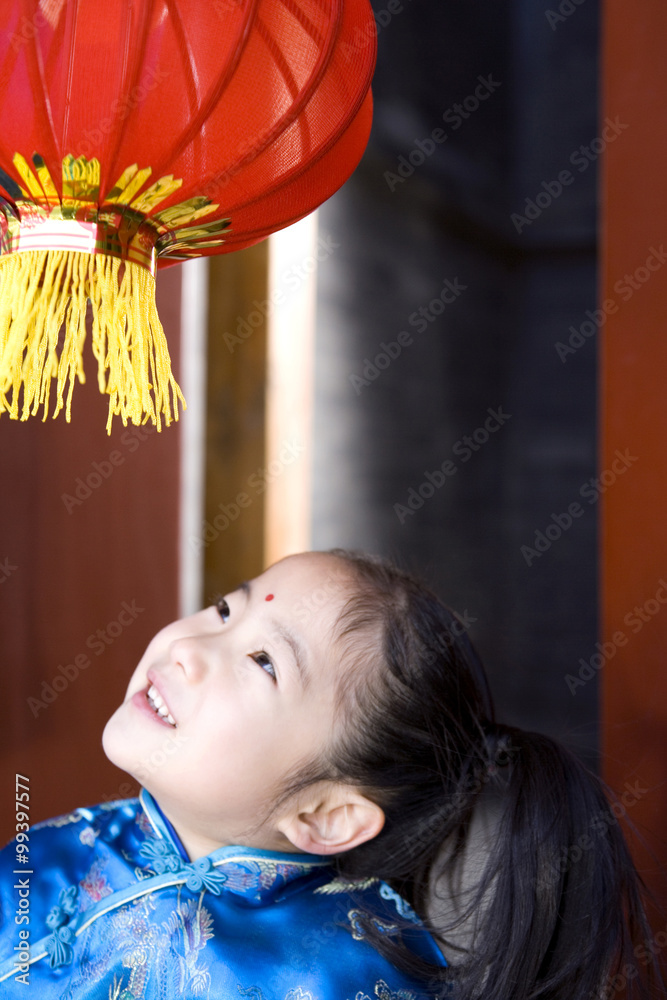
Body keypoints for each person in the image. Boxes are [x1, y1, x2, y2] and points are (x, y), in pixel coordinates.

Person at [0, 548, 661, 999]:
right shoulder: (73, 843)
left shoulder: (329, 980)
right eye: (227, 611)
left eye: (262, 662)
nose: (190, 647)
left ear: (325, 815)